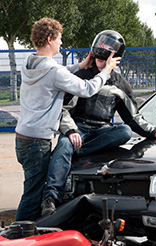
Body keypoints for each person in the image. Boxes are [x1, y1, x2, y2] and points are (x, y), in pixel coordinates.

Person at [40, 30, 156, 216]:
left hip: (101, 132)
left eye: (106, 58)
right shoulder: (80, 76)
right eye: (99, 57)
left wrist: (153, 131)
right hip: (77, 129)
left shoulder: (121, 84)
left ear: (116, 58)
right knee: (63, 144)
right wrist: (71, 131)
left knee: (125, 131)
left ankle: (79, 150)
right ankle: (50, 199)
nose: (101, 61)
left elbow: (133, 118)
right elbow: (62, 110)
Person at [15, 18, 120, 221]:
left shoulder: (28, 63)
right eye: (59, 39)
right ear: (49, 39)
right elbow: (87, 89)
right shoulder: (53, 71)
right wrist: (106, 72)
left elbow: (56, 74)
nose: (61, 43)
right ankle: (18, 237)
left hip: (23, 138)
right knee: (32, 195)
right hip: (37, 142)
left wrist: (80, 65)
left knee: (32, 189)